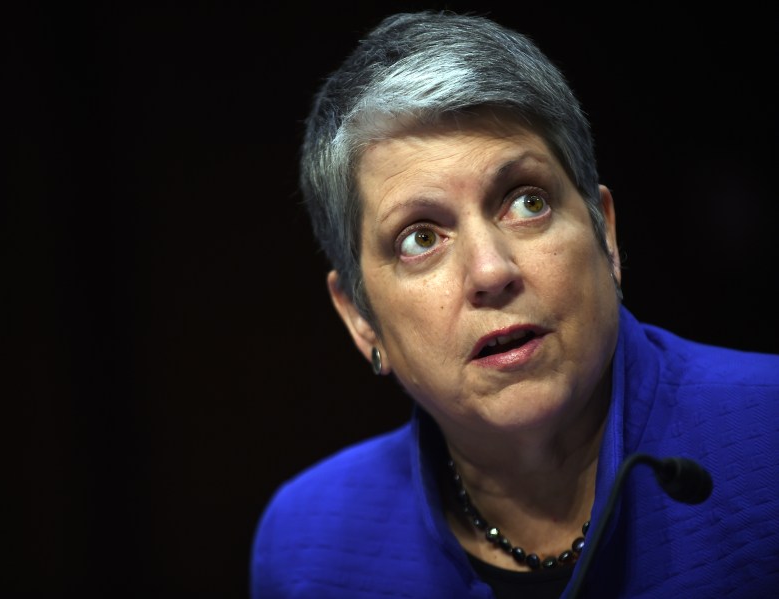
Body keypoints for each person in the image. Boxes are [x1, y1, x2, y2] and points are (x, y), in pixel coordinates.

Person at [250, 10, 779, 599]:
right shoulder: (308, 548)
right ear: (360, 318)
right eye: (420, 238)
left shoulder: (768, 435)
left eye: (526, 202)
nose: (491, 271)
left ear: (605, 235)